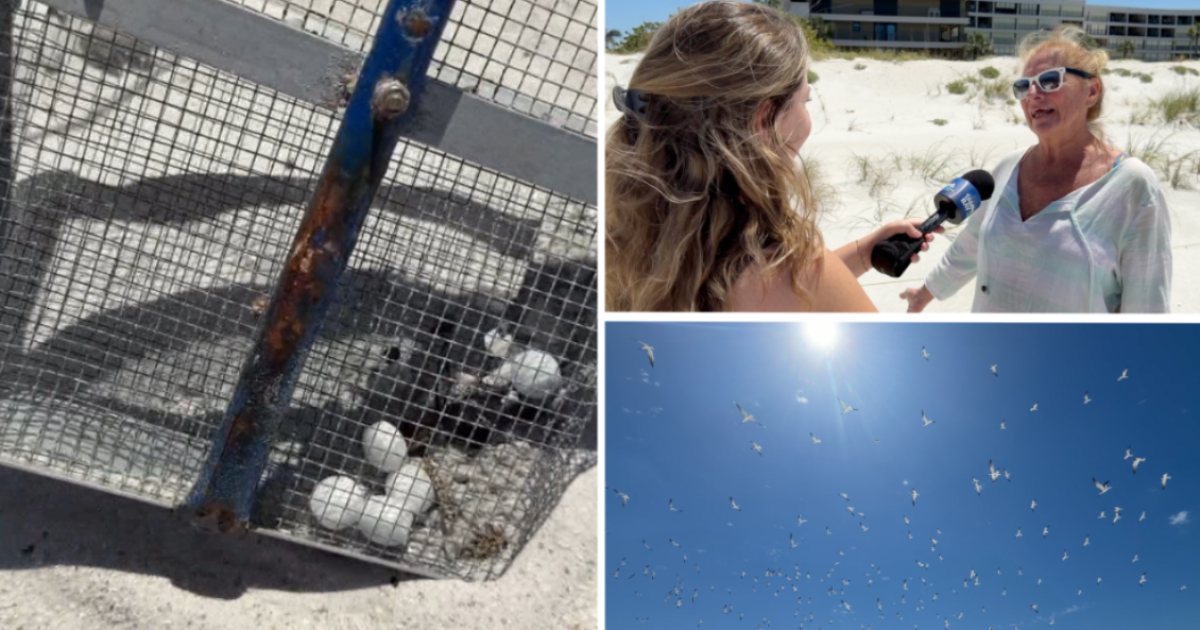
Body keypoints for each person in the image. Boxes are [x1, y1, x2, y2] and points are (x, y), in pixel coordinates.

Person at [604, 1, 939, 312]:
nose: (808, 118)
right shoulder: (793, 270)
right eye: (805, 102)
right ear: (765, 120)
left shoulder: (628, 228)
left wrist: (863, 254)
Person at [901, 25, 1172, 313]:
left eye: (1049, 81)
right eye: (1023, 86)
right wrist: (925, 293)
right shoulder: (1007, 167)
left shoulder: (1133, 187)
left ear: (1091, 91)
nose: (1032, 94)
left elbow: (1148, 309)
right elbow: (972, 243)